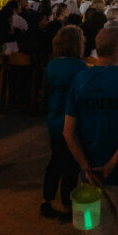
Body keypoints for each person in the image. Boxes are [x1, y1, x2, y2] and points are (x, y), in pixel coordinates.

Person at [64, 27, 118, 235]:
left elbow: (68, 132)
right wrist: (111, 165)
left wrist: (85, 166)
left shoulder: (80, 79)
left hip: (89, 178)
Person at [41, 25, 87, 220]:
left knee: (55, 160)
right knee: (71, 165)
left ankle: (47, 200)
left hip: (54, 119)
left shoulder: (51, 66)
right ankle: (67, 204)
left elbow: (45, 93)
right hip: (73, 122)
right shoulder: (80, 68)